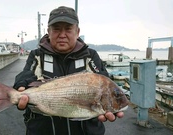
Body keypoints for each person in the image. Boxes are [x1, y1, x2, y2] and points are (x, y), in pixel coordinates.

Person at [13, 6, 124, 135]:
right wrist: (21, 85)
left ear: (77, 32)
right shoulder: (37, 55)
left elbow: (102, 78)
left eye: (68, 29)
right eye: (56, 29)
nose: (62, 35)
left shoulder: (90, 55)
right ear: (48, 31)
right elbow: (27, 75)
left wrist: (111, 103)